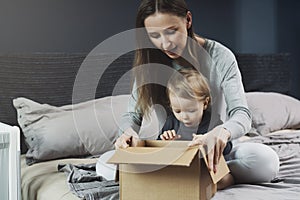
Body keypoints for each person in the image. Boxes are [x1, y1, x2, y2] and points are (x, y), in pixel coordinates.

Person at [115, 0, 279, 189]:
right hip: (170, 152)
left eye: (171, 31)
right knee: (105, 165)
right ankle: (202, 176)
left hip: (216, 151)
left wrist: (222, 132)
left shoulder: (221, 57)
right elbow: (132, 115)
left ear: (188, 20)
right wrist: (127, 132)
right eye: (154, 35)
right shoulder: (148, 64)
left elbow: (242, 113)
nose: (165, 43)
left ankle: (203, 174)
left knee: (266, 162)